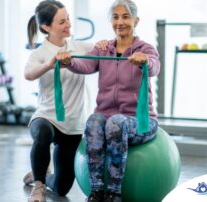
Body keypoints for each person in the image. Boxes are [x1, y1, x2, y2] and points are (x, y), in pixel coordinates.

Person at [55, 0, 160, 201]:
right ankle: (96, 191)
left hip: (140, 122)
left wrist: (144, 61)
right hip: (108, 118)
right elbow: (85, 64)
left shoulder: (145, 49)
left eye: (125, 16)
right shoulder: (103, 49)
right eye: (115, 17)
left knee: (115, 123)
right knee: (94, 121)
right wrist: (69, 61)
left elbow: (155, 67)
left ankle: (114, 193)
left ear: (136, 21)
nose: (120, 22)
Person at [23, 1, 107, 201]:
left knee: (61, 188)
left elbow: (103, 51)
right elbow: (28, 73)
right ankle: (39, 185)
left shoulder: (80, 47)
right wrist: (49, 65)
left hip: (73, 125)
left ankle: (39, 174)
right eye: (62, 21)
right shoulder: (39, 53)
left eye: (68, 18)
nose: (68, 24)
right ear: (46, 27)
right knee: (42, 133)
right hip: (47, 117)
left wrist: (104, 44)